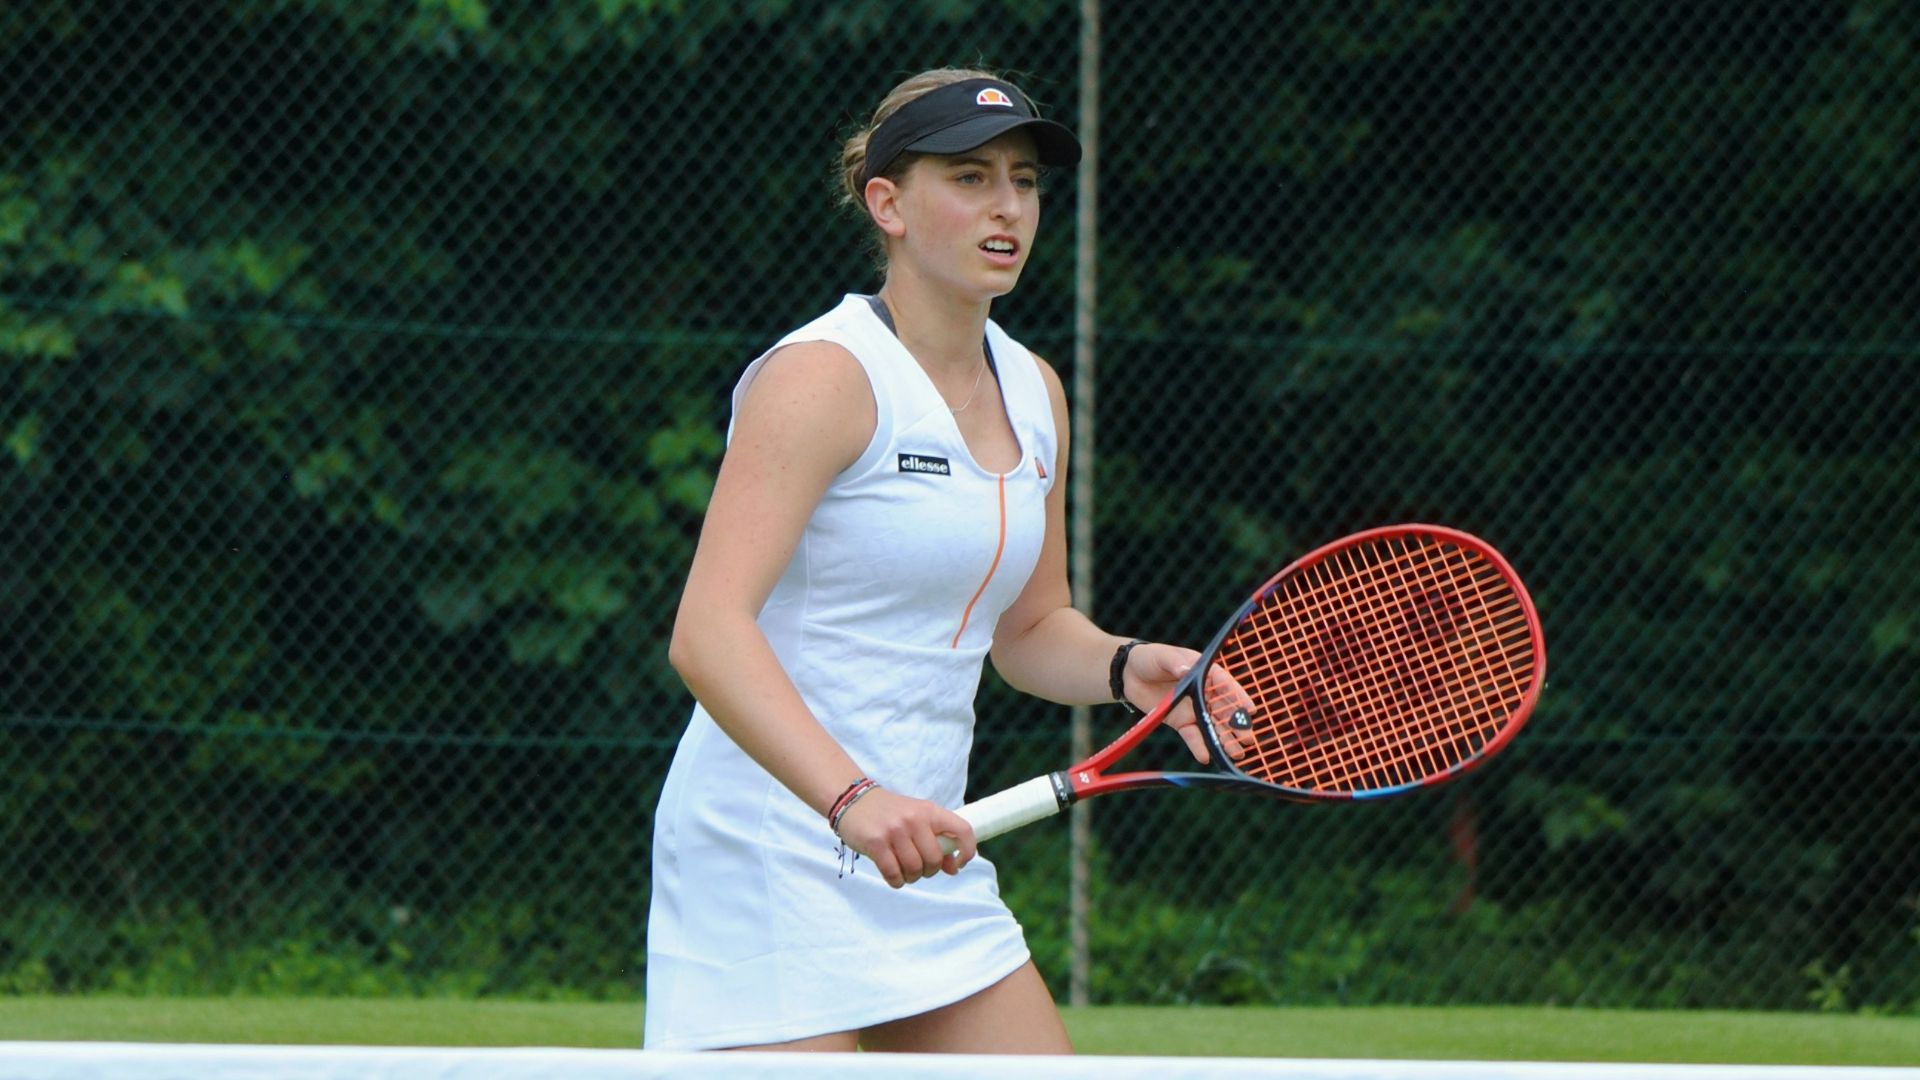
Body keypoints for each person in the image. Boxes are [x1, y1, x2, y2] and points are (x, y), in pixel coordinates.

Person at [645, 67, 1225, 1054]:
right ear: (889, 204)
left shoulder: (1037, 391)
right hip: (770, 848)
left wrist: (1130, 668)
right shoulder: (821, 378)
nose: (1006, 207)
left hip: (930, 854)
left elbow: (1031, 632)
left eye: (1024, 180)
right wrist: (853, 800)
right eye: (969, 176)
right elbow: (707, 634)